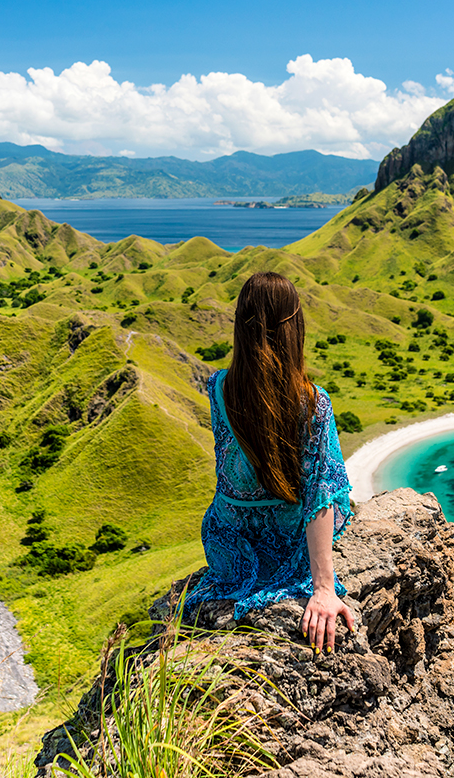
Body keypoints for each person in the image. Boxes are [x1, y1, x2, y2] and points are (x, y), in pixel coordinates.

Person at [182, 271, 356, 654]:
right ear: (294, 328)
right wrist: (323, 588)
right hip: (285, 545)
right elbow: (321, 495)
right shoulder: (313, 403)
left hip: (227, 542)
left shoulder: (217, 388)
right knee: (337, 492)